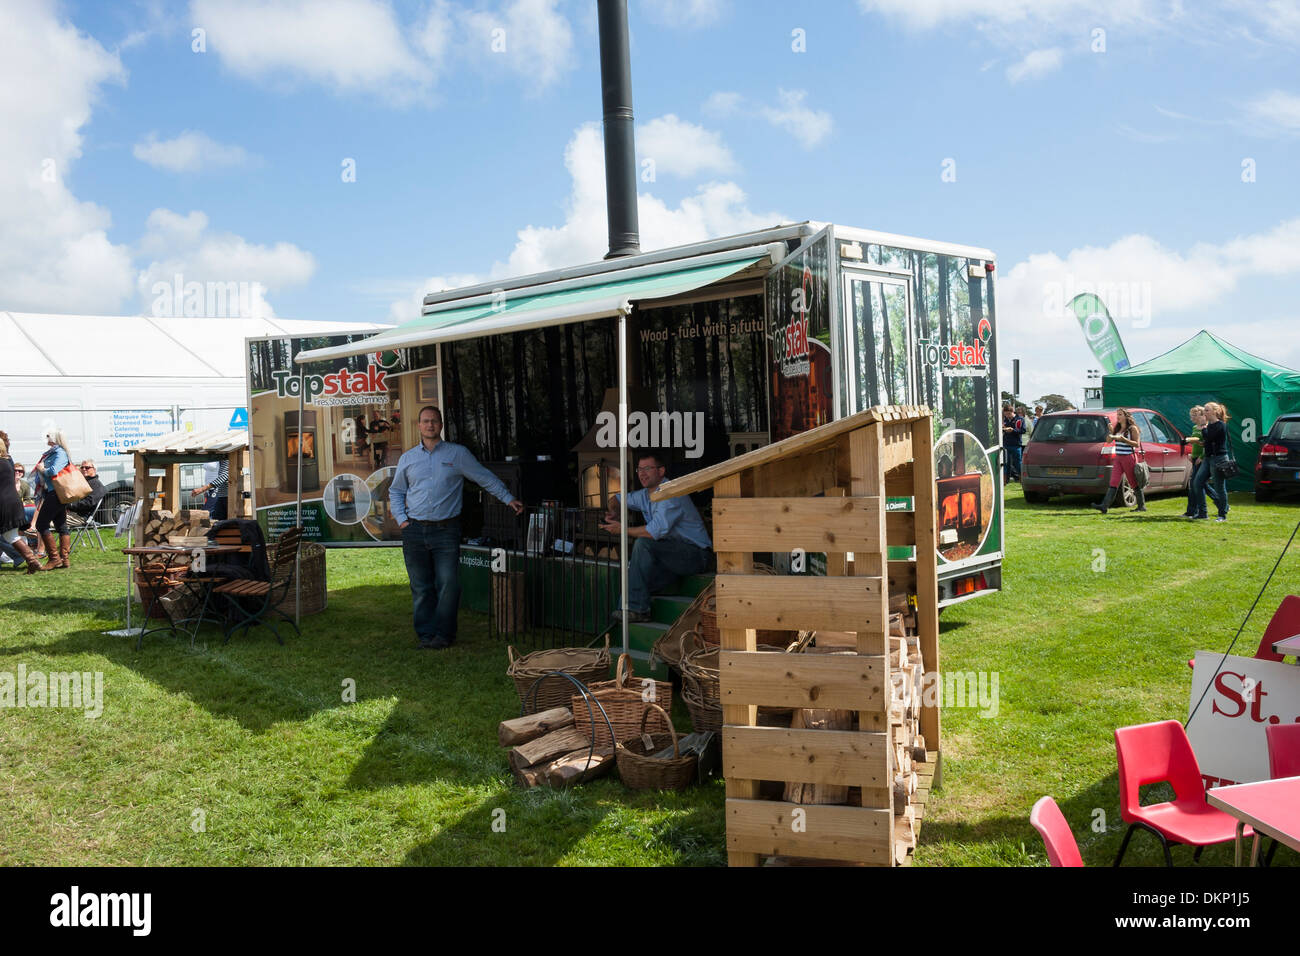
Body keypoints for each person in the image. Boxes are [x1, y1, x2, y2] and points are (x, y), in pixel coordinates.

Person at [389, 405, 523, 650]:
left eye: (435, 421)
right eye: (426, 421)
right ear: (419, 426)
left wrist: (507, 498)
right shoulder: (408, 458)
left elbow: (484, 477)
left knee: (449, 583)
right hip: (414, 531)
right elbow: (397, 491)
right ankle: (426, 635)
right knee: (420, 586)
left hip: (446, 530)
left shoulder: (457, 454)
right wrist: (402, 520)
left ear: (441, 425)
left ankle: (443, 635)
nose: (430, 425)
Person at [601, 451, 713, 623]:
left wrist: (622, 529)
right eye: (639, 469)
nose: (642, 474)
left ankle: (637, 610)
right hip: (671, 556)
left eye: (647, 468)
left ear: (661, 471)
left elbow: (653, 532)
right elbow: (616, 498)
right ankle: (627, 612)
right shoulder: (645, 494)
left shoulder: (671, 492)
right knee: (634, 579)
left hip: (696, 555)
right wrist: (614, 512)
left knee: (643, 544)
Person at [29, 427, 73, 569]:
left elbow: (54, 470)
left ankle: (55, 559)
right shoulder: (55, 452)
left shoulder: (60, 453)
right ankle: (64, 559)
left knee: (41, 524)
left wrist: (42, 469)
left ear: (54, 438)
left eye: (49, 436)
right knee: (61, 525)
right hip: (55, 492)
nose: (47, 438)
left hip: (56, 493)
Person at [1092, 408, 1146, 514]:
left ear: (1126, 416)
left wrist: (1123, 439)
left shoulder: (1132, 428)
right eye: (1117, 415)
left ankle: (1141, 506)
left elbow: (1136, 444)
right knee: (1113, 482)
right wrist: (1111, 432)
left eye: (1120, 414)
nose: (1118, 417)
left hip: (1128, 457)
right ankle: (1104, 506)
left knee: (1133, 482)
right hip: (1118, 458)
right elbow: (1108, 441)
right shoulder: (1117, 428)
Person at [0, 437, 43, 572]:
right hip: (13, 501)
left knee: (11, 536)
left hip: (4, 503)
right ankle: (31, 560)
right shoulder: (7, 461)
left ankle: (32, 560)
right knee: (10, 535)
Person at [1201, 402, 1232, 522]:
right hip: (1208, 458)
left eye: (1207, 410)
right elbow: (1207, 442)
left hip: (1219, 459)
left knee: (1220, 487)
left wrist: (1203, 428)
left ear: (1215, 411)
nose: (1204, 412)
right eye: (1204, 410)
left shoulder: (1221, 425)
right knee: (1198, 481)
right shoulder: (1209, 426)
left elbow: (1209, 438)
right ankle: (1223, 506)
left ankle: (1222, 514)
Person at [1182, 405, 1208, 519]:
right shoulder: (1194, 428)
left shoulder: (1206, 427)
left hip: (1201, 459)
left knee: (1197, 484)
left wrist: (1201, 457)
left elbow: (1207, 444)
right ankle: (1191, 511)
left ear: (1202, 415)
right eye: (1191, 415)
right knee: (1194, 485)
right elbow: (1196, 443)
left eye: (1195, 414)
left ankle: (1201, 511)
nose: (1192, 417)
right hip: (1195, 457)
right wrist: (1192, 453)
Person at [1001, 404, 1025, 483]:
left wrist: (1013, 430)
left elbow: (1023, 430)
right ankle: (1005, 481)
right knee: (1006, 464)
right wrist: (1003, 429)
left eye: (1008, 414)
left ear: (1012, 412)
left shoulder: (1020, 419)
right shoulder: (1005, 420)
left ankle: (1022, 479)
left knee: (1018, 463)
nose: (1007, 416)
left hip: (1016, 445)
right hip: (1006, 444)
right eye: (1005, 414)